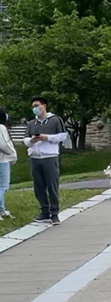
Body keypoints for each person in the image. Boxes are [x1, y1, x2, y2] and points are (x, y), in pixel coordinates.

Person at [23, 96, 68, 225]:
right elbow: (25, 139)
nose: (35, 109)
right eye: (33, 107)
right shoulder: (31, 123)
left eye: (37, 106)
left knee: (52, 185)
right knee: (38, 187)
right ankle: (44, 211)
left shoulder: (55, 120)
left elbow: (62, 136)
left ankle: (54, 213)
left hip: (50, 157)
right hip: (35, 158)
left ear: (44, 106)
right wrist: (31, 140)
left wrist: (47, 137)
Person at [0, 108, 17, 219]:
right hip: (2, 160)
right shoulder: (1, 127)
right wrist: (13, 154)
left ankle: (2, 210)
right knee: (3, 186)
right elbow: (4, 144)